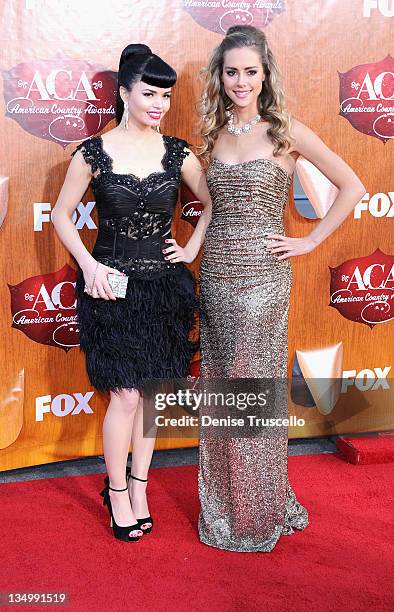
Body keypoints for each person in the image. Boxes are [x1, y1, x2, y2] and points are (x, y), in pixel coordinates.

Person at [196, 25, 366, 552]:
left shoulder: (286, 129)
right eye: (231, 72)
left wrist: (311, 239)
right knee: (224, 389)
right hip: (218, 276)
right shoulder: (215, 131)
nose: (240, 81)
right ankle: (225, 505)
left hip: (265, 280)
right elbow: (210, 207)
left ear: (265, 74)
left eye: (250, 71)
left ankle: (255, 512)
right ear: (220, 76)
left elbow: (352, 185)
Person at [52, 44, 211, 542]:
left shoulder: (178, 152)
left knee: (150, 396)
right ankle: (117, 492)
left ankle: (141, 487)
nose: (159, 103)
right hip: (110, 291)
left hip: (163, 290)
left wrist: (188, 250)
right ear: (123, 93)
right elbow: (60, 214)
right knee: (123, 396)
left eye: (166, 95)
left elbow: (207, 203)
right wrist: (90, 264)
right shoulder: (91, 152)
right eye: (149, 93)